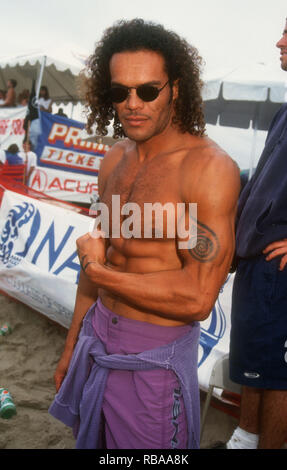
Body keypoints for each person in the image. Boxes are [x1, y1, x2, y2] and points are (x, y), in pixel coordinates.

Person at [49, 18, 240, 449]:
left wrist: (99, 271)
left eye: (148, 90)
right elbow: (100, 258)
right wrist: (70, 349)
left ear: (176, 88)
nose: (133, 103)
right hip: (95, 341)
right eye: (120, 92)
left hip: (154, 361)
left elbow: (197, 298)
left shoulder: (208, 170)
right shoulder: (114, 159)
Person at [224, 19, 287, 450]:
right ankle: (244, 439)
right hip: (253, 262)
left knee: (278, 375)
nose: (279, 42)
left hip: (278, 266)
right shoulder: (283, 110)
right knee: (251, 368)